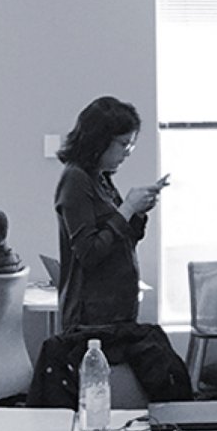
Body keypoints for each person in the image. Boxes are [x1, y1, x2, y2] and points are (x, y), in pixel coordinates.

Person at [53, 96, 165, 330]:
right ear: (100, 140)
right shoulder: (76, 180)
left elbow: (125, 240)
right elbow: (89, 253)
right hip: (90, 317)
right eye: (123, 144)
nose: (128, 152)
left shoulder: (100, 178)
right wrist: (127, 209)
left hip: (115, 311)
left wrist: (139, 212)